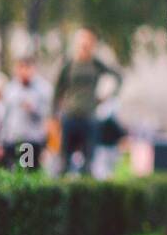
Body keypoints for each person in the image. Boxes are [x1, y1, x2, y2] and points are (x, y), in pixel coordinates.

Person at [52, 28, 122, 175]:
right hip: (70, 115)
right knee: (64, 161)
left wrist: (107, 96)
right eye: (82, 39)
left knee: (88, 162)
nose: (85, 43)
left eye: (89, 40)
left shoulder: (96, 64)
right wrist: (53, 115)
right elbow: (58, 90)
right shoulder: (69, 63)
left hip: (89, 116)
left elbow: (117, 77)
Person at [0, 56, 52, 169]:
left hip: (30, 141)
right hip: (11, 140)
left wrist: (34, 108)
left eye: (27, 68)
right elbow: (3, 117)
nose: (24, 72)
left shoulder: (43, 89)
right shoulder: (10, 89)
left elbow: (47, 116)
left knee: (26, 173)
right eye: (21, 68)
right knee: (10, 174)